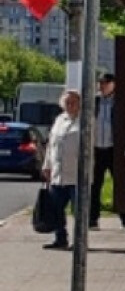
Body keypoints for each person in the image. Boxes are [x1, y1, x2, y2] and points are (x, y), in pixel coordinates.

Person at [90, 72, 125, 230]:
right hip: (96, 149)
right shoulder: (94, 101)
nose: (102, 86)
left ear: (113, 84)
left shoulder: (119, 101)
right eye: (100, 82)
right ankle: (92, 219)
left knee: (120, 184)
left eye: (105, 83)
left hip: (114, 149)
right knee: (94, 185)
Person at [41, 89, 81, 251]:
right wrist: (47, 165)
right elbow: (51, 145)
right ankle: (60, 238)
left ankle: (79, 241)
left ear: (79, 104)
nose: (70, 105)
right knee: (56, 208)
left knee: (78, 211)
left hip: (77, 174)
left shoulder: (85, 121)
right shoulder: (59, 119)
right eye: (67, 102)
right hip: (58, 173)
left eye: (73, 102)